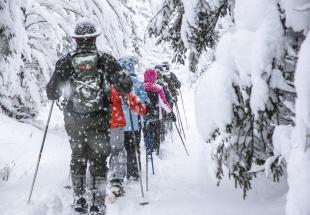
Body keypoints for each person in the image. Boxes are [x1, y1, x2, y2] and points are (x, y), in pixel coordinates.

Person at [46, 18, 132, 215]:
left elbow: (51, 92)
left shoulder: (65, 61)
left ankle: (79, 201)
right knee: (99, 161)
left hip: (74, 121)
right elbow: (126, 86)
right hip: (99, 119)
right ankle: (97, 204)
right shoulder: (105, 59)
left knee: (77, 157)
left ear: (77, 40)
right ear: (94, 39)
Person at [107, 87, 146, 199]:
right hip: (117, 122)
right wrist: (143, 108)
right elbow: (138, 105)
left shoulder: (97, 78)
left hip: (94, 123)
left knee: (94, 152)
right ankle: (116, 181)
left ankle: (94, 183)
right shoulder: (120, 82)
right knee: (118, 150)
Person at [118, 58, 149, 180]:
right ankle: (134, 172)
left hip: (118, 123)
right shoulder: (137, 83)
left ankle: (118, 175)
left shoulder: (114, 82)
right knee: (133, 148)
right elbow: (143, 100)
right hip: (134, 123)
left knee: (119, 150)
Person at [143, 69, 176, 155]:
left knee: (146, 133)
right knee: (156, 133)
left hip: (144, 116)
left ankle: (148, 148)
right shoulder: (158, 88)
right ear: (154, 77)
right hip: (156, 115)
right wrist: (170, 112)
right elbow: (164, 102)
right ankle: (155, 150)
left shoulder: (141, 87)